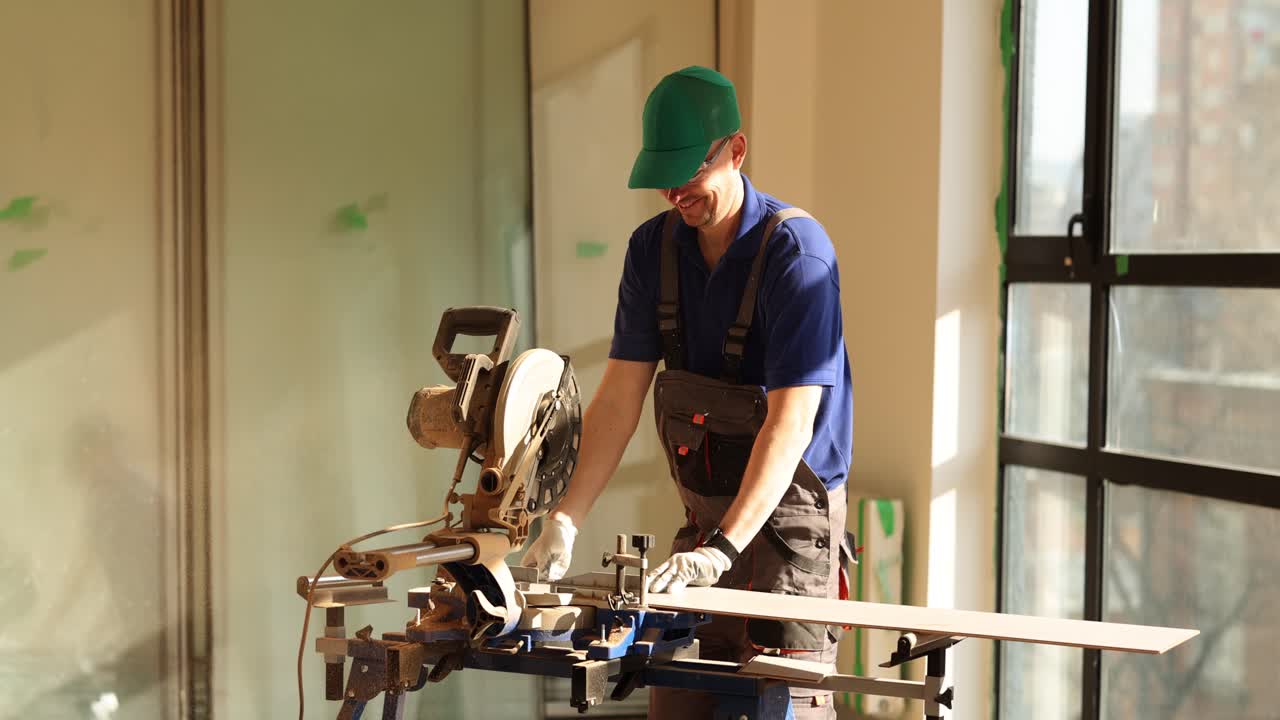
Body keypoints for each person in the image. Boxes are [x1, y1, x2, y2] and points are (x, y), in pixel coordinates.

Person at [523, 65, 854, 719]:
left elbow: (789, 426)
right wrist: (563, 521)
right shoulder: (653, 252)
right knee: (676, 692)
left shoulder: (798, 256)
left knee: (778, 700)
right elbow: (618, 400)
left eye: (689, 172)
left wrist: (723, 553)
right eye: (664, 176)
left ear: (735, 149)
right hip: (707, 520)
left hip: (792, 525)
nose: (676, 191)